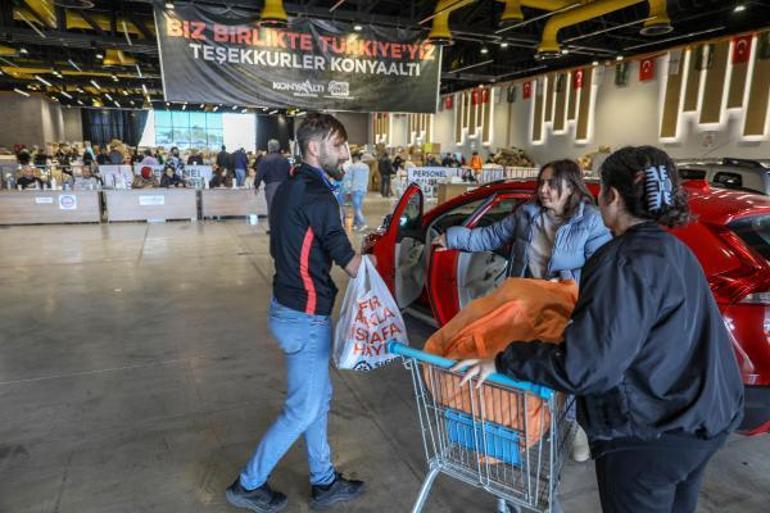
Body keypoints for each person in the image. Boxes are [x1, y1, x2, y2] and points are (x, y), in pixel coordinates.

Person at [455, 146, 744, 513]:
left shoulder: (621, 261)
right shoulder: (675, 250)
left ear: (613, 196)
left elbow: (586, 366)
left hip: (650, 434)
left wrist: (505, 361)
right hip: (705, 419)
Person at [226, 113, 367, 513]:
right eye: (338, 145)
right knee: (303, 407)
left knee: (319, 398)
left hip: (290, 307)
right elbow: (347, 259)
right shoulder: (318, 195)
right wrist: (385, 271)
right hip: (304, 316)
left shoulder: (290, 185)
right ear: (314, 148)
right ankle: (248, 484)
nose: (346, 153)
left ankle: (324, 481)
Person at [434, 159, 612, 462]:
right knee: (520, 361)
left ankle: (572, 426)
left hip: (567, 307)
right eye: (541, 183)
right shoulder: (527, 214)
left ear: (571, 187)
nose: (543, 190)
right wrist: (451, 237)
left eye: (552, 184)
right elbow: (489, 237)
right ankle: (521, 422)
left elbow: (601, 269)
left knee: (562, 367)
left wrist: (569, 284)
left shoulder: (591, 221)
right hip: (526, 304)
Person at [255, 139, 291, 226]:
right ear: (278, 147)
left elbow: (260, 173)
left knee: (272, 208)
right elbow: (290, 173)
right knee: (283, 208)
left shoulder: (265, 159)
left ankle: (273, 229)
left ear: (269, 148)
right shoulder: (284, 159)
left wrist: (256, 185)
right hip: (284, 186)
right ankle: (283, 228)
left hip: (271, 186)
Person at [348, 152, 370, 231]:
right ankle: (356, 224)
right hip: (363, 189)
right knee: (359, 207)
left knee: (356, 208)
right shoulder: (366, 167)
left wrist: (347, 190)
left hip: (355, 189)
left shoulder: (353, 167)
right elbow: (367, 178)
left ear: (355, 158)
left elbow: (349, 179)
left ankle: (362, 223)